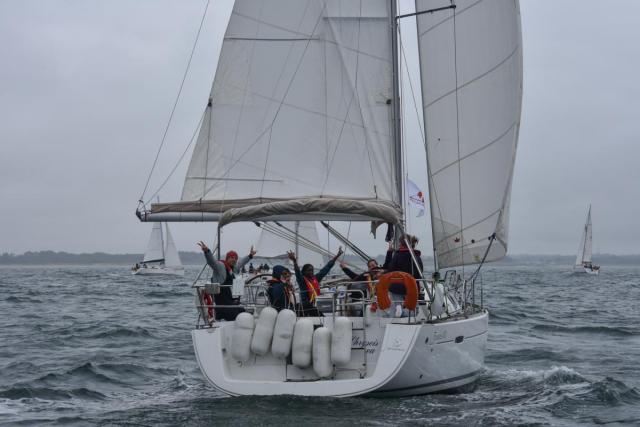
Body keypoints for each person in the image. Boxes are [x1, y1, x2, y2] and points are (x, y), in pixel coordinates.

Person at [197, 241, 256, 321]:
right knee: (242, 315)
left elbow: (240, 263)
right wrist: (207, 251)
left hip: (230, 303)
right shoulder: (220, 266)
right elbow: (212, 262)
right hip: (222, 306)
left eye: (235, 258)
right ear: (227, 258)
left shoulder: (232, 268)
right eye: (232, 257)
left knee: (243, 311)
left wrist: (250, 256)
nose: (234, 260)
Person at [287, 247, 344, 316]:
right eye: (309, 270)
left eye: (312, 270)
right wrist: (294, 261)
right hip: (306, 307)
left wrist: (337, 256)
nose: (311, 272)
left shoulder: (315, 278)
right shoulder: (302, 281)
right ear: (304, 272)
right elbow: (297, 273)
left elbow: (326, 268)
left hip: (316, 305)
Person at [382, 235, 423, 316]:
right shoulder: (416, 256)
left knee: (396, 305)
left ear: (400, 243)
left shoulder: (397, 255)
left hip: (396, 286)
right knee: (412, 310)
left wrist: (389, 252)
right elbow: (420, 272)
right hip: (412, 286)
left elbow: (390, 270)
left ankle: (398, 309)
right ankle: (406, 313)